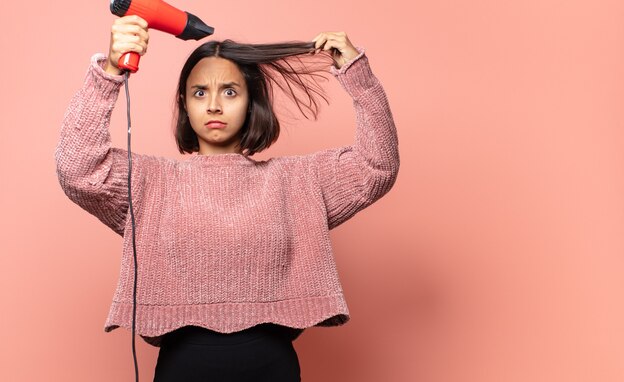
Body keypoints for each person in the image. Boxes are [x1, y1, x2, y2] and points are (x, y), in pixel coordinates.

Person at [56, 15, 399, 382]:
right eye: (200, 92)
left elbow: (376, 166)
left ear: (252, 103)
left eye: (230, 92)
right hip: (183, 368)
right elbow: (78, 169)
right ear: (184, 104)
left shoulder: (297, 181)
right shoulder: (152, 182)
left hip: (272, 367)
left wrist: (357, 76)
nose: (214, 105)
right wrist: (109, 72)